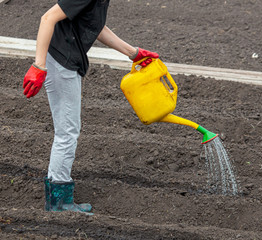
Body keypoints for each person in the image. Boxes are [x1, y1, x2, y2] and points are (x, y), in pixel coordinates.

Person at [22, 0, 159, 214]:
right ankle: (59, 201)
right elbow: (47, 18)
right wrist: (38, 65)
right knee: (67, 132)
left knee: (67, 130)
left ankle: (56, 194)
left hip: (66, 61)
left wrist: (133, 52)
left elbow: (94, 26)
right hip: (61, 63)